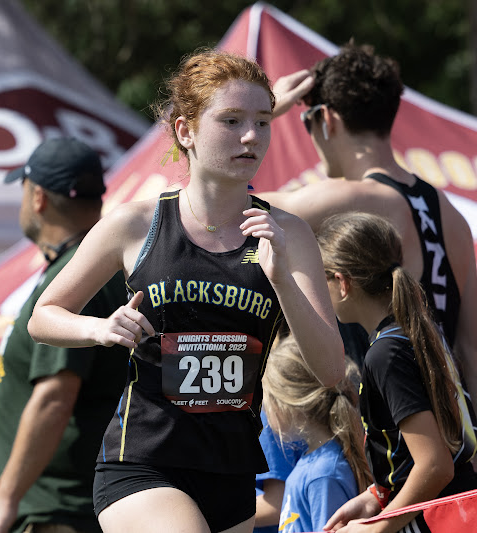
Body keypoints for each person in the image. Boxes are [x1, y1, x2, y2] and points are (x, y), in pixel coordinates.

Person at [27, 49, 345, 533]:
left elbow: (331, 370)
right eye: (232, 120)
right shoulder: (135, 223)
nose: (251, 136)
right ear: (185, 131)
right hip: (143, 462)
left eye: (263, 122)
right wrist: (100, 327)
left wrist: (282, 279)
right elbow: (43, 315)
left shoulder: (288, 233)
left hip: (231, 471)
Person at [262, 43, 477, 393]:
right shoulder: (452, 216)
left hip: (380, 423)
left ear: (326, 118)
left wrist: (262, 113)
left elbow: (213, 202)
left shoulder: (347, 199)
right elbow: (470, 353)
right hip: (448, 419)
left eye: (306, 121)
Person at [0, 138, 129, 533]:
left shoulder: (78, 274)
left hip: (61, 511)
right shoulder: (100, 266)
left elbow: (55, 397)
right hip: (78, 504)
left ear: (38, 197)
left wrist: (5, 499)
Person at [316, 212, 477, 533]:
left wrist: (377, 528)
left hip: (436, 520)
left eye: (323, 279)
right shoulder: (418, 331)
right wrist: (377, 494)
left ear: (343, 283)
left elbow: (436, 465)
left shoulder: (386, 354)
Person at [261, 334, 370, 533]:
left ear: (288, 405)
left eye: (269, 400)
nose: (266, 412)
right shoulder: (313, 464)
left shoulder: (322, 474)